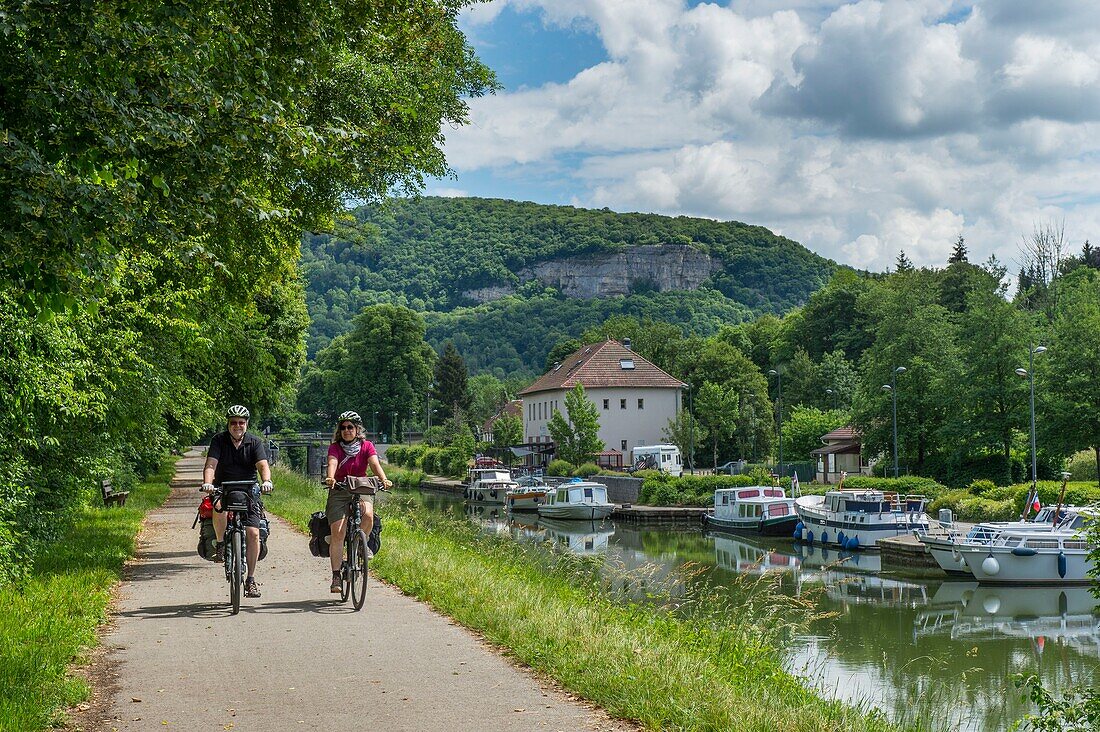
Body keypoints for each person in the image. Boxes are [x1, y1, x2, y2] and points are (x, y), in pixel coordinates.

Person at [201, 405, 272, 599]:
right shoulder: (219, 440)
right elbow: (211, 465)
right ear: (228, 424)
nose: (237, 426)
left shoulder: (254, 442)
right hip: (223, 487)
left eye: (241, 422)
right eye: (233, 422)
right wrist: (208, 483)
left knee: (253, 532)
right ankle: (222, 543)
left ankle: (250, 579)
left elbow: (263, 465)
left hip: (248, 489)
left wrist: (266, 481)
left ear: (247, 424)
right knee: (218, 507)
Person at [324, 411, 391, 593]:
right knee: (338, 532)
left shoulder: (367, 446)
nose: (346, 430)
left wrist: (383, 479)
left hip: (361, 487)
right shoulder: (335, 447)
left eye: (350, 427)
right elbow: (332, 463)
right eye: (343, 427)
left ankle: (362, 543)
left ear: (357, 429)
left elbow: (375, 464)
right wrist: (330, 478)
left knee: (368, 514)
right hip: (339, 489)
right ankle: (336, 575)